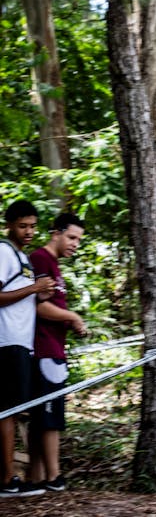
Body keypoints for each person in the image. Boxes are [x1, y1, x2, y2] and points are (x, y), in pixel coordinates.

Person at [0, 199, 55, 498]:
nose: (29, 232)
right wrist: (34, 288)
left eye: (33, 226)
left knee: (15, 409)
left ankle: (10, 477)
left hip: (22, 342)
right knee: (7, 410)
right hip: (6, 340)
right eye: (22, 226)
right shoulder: (3, 252)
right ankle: (7, 480)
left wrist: (43, 292)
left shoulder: (22, 258)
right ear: (9, 225)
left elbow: (24, 297)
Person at [29, 213, 87, 493]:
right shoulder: (40, 259)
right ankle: (54, 477)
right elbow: (38, 307)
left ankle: (36, 476)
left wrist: (68, 320)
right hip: (44, 349)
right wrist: (72, 316)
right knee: (50, 417)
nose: (75, 244)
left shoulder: (52, 263)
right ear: (56, 233)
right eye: (72, 237)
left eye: (79, 240)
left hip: (54, 348)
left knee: (45, 415)